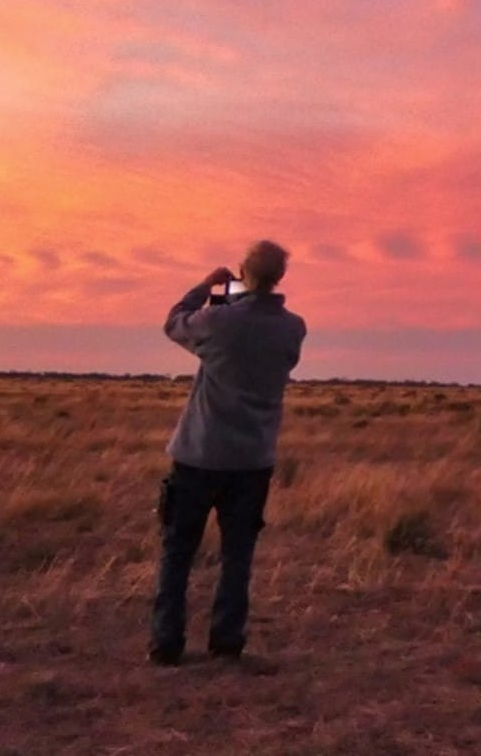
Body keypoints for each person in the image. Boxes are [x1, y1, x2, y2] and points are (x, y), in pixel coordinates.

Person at [151, 241, 307, 666]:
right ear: (280, 276)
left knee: (178, 550)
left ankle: (167, 641)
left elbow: (174, 323)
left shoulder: (217, 323)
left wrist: (205, 287)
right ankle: (226, 641)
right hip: (252, 460)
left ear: (242, 273)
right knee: (238, 555)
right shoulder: (293, 328)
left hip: (199, 455)